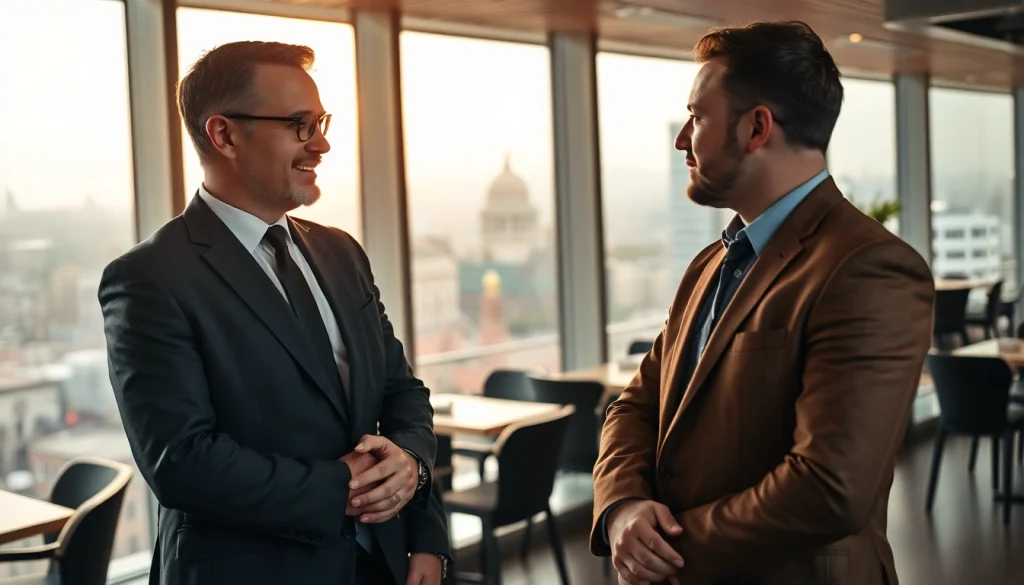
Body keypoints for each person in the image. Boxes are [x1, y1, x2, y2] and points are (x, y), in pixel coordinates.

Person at [591, 21, 934, 585]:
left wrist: (666, 547)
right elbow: (635, 405)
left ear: (756, 128)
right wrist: (623, 507)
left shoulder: (868, 268)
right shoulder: (709, 264)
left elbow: (828, 488)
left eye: (698, 116)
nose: (682, 139)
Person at [99, 41, 450, 585]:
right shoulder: (148, 279)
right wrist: (344, 489)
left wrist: (417, 492)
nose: (323, 143)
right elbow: (183, 461)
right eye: (300, 125)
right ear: (225, 135)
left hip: (382, 564)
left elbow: (401, 392)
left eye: (321, 122)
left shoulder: (341, 252)